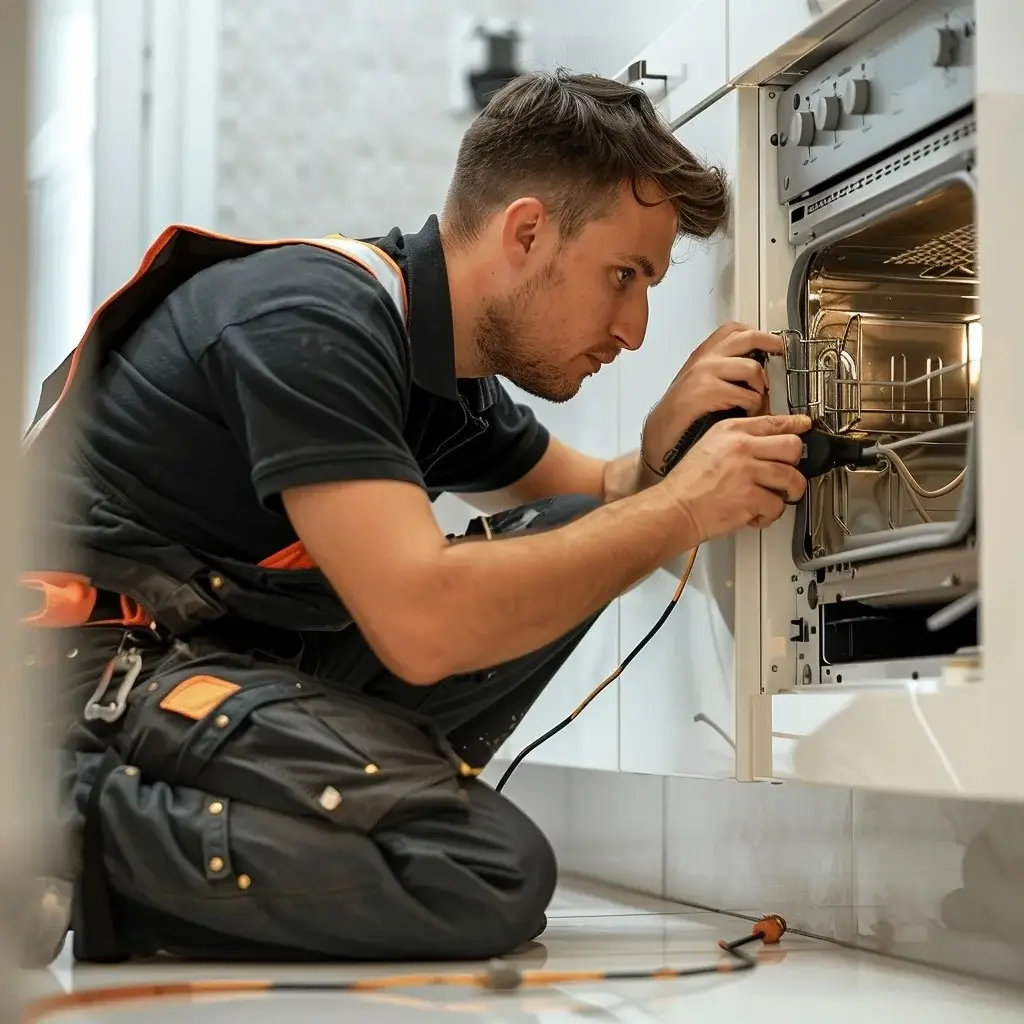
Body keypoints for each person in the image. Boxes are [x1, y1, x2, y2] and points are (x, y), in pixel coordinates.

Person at [22, 68, 809, 966]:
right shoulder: (312, 323)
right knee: (483, 872)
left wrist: (662, 451)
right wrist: (681, 503)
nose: (633, 328)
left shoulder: (438, 364)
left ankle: (325, 819)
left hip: (206, 662)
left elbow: (598, 499)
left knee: (563, 528)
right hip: (80, 689)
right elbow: (423, 625)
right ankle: (49, 826)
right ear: (526, 231)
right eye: (623, 276)